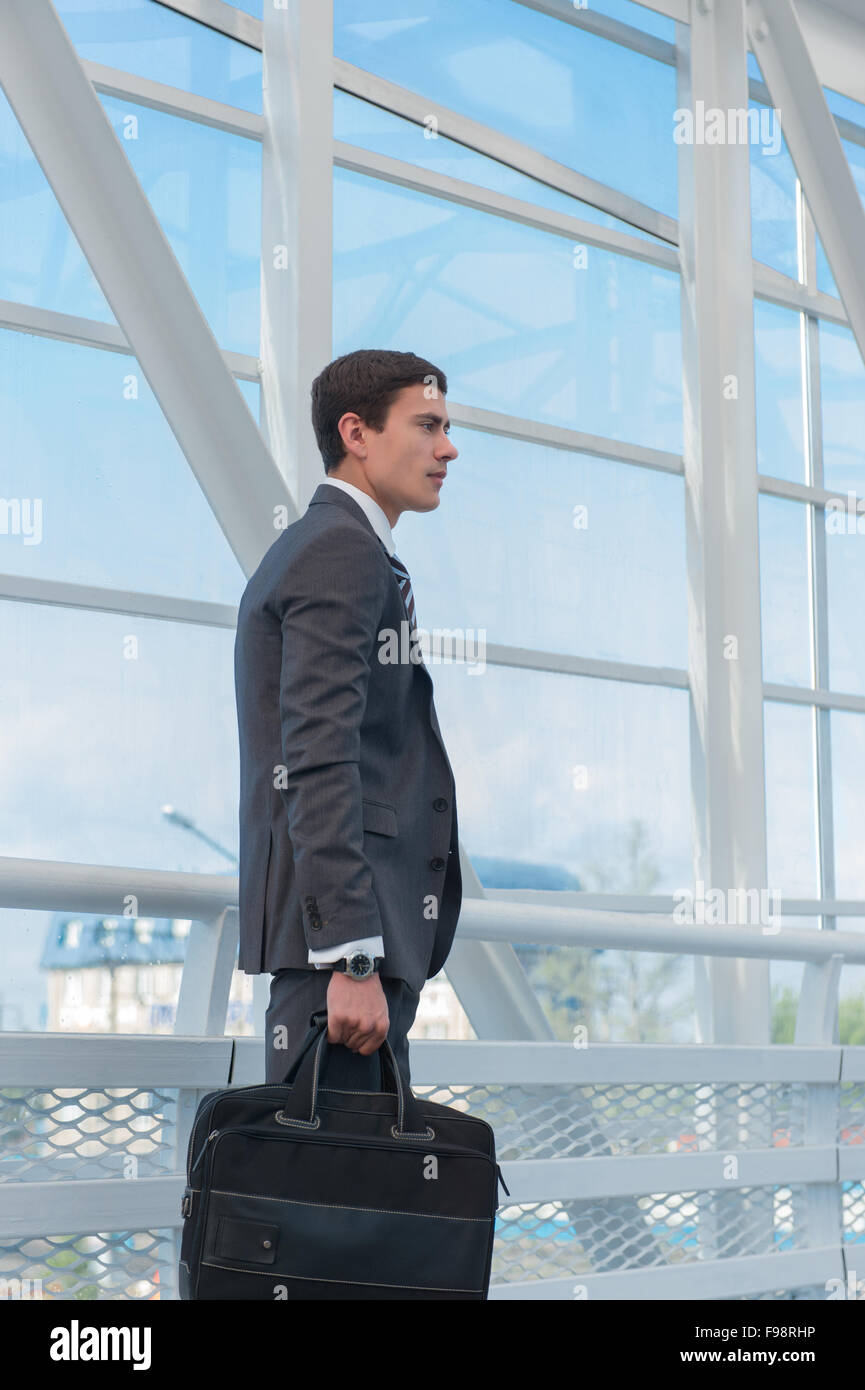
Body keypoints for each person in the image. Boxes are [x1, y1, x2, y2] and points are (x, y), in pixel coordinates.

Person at [234, 348, 462, 1091]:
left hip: (345, 953)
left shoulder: (341, 547)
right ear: (356, 433)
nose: (447, 447)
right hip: (338, 962)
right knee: (332, 1194)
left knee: (339, 1191)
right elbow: (318, 755)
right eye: (426, 425)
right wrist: (352, 957)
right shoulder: (340, 550)